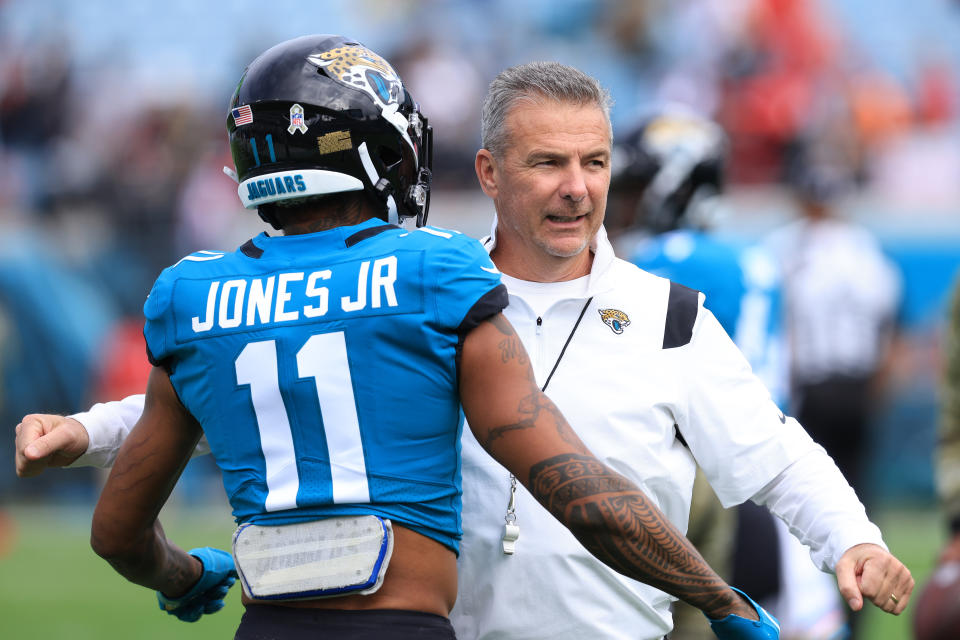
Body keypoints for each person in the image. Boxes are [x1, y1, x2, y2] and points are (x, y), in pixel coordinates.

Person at [15, 57, 913, 639]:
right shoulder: (423, 287)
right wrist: (92, 430)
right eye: (547, 164)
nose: (576, 189)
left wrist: (852, 538)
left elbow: (774, 451)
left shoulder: (669, 314)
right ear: (487, 172)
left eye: (594, 163)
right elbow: (273, 387)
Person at [607, 109, 845, 639]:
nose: (619, 201)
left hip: (701, 479)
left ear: (670, 186)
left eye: (635, 187)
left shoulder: (661, 258)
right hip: (774, 472)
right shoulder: (752, 258)